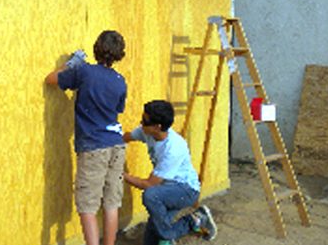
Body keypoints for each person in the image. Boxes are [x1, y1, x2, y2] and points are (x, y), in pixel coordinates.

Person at [45, 30, 127, 245]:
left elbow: (50, 79)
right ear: (119, 54)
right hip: (116, 146)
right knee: (111, 203)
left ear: (97, 48)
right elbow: (117, 108)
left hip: (94, 147)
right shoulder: (120, 81)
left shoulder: (84, 72)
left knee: (88, 205)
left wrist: (71, 64)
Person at [123, 100, 217, 245]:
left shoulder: (173, 148)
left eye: (144, 121)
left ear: (157, 127)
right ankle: (196, 219)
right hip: (166, 190)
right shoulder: (146, 131)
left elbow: (148, 185)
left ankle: (190, 222)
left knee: (151, 196)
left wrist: (120, 175)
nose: (141, 123)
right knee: (150, 240)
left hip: (185, 190)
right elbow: (126, 137)